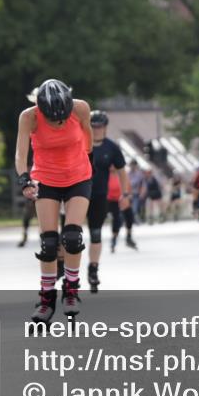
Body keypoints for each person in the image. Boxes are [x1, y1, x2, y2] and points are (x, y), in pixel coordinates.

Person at [15, 79, 93, 323]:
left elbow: (88, 140)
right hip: (45, 179)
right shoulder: (29, 117)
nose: (57, 123)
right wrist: (24, 179)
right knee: (49, 242)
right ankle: (46, 299)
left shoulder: (80, 109)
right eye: (52, 119)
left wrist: (78, 159)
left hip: (78, 177)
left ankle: (71, 291)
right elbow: (20, 152)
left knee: (72, 236)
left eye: (61, 118)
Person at [86, 110, 132, 291]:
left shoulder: (111, 148)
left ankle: (93, 269)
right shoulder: (79, 144)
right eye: (93, 126)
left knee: (95, 234)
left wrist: (126, 194)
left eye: (100, 126)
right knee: (69, 236)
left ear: (105, 127)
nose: (96, 129)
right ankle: (64, 270)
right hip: (75, 196)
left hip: (99, 196)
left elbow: (122, 173)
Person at [107, 171, 136, 253]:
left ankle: (129, 237)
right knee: (117, 220)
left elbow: (129, 188)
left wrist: (129, 196)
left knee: (130, 217)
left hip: (124, 200)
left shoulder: (123, 174)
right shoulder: (107, 175)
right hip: (113, 201)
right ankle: (114, 239)